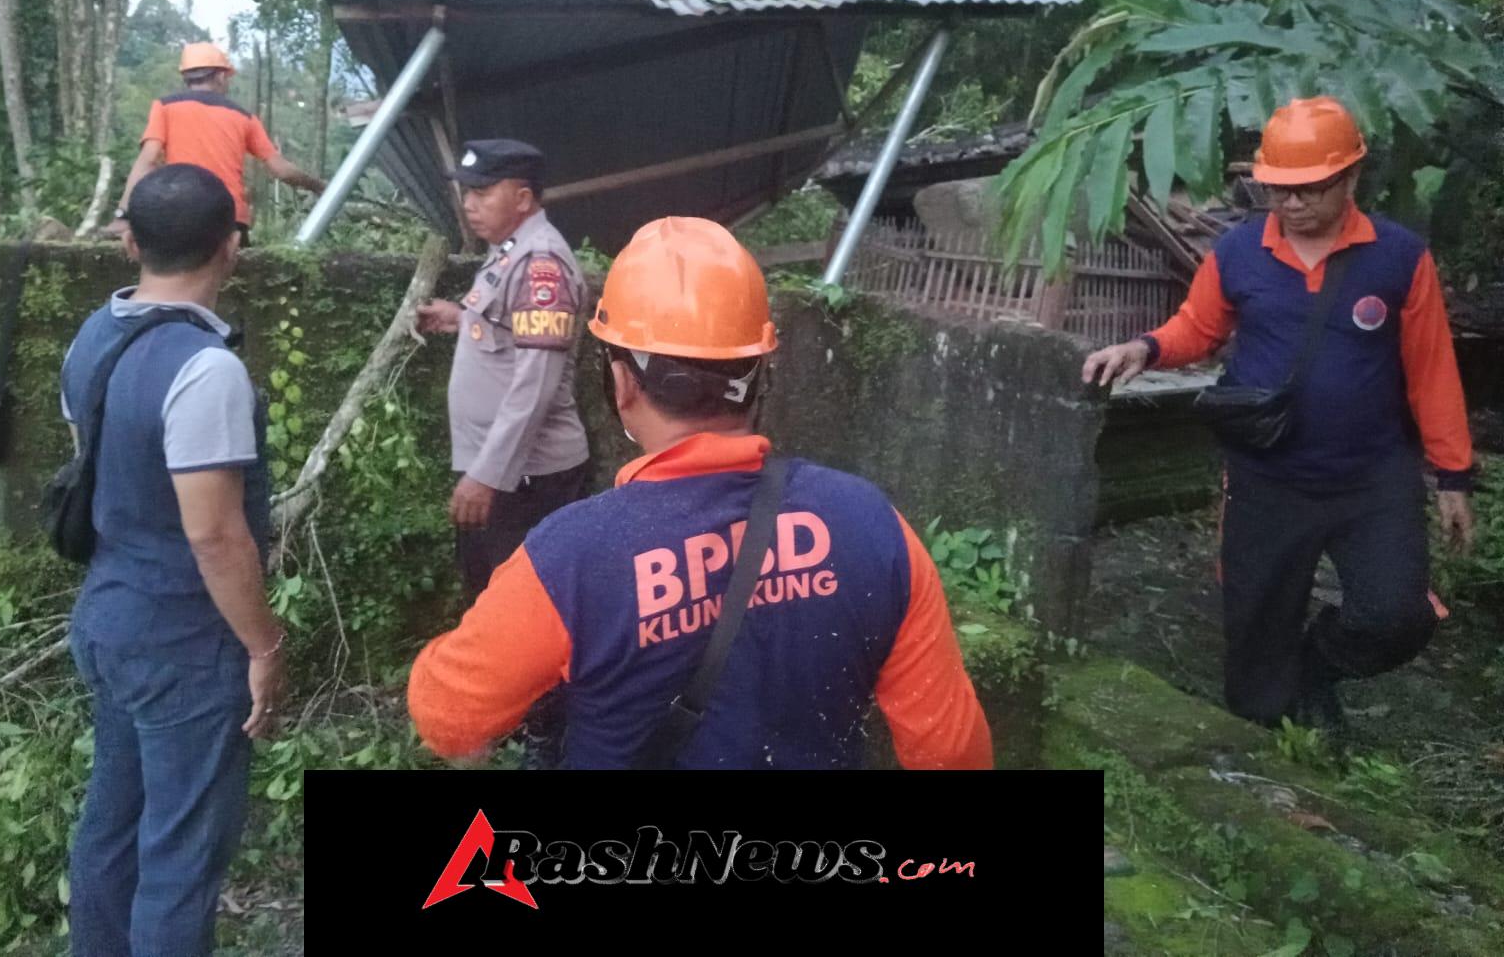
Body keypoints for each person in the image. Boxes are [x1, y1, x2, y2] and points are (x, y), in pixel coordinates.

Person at [407, 216, 993, 770]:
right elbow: (953, 754)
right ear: (761, 374)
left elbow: (448, 719)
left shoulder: (571, 560)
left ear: (619, 380)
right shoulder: (874, 526)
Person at [1083, 96, 1475, 734]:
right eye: (1279, 189)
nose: (1292, 205)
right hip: (1267, 474)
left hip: (1371, 476)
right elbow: (1198, 328)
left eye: (1311, 189)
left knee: (1396, 616)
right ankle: (1269, 746)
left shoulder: (1399, 258)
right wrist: (1146, 348)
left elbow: (1432, 371)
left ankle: (1317, 664)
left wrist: (1454, 476)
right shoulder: (1238, 255)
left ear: (1350, 178)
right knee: (1255, 637)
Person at [63, 164, 286, 956]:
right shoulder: (206, 370)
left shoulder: (97, 334)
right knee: (180, 859)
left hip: (107, 617)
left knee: (112, 827)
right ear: (231, 247)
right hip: (182, 642)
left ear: (129, 241)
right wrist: (265, 647)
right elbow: (214, 535)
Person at [414, 139, 591, 602]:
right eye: (467, 192)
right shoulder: (510, 249)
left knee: (517, 609)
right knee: (488, 597)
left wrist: (487, 476)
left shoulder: (541, 266)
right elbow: (512, 331)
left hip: (526, 479)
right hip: (506, 472)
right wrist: (461, 317)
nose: (469, 204)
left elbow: (536, 385)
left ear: (523, 199)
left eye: (482, 193)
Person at [108, 42, 325, 245]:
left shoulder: (164, 107)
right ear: (221, 76)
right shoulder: (244, 117)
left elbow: (149, 159)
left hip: (180, 212)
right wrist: (318, 186)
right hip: (229, 217)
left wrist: (123, 214)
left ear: (186, 76)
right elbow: (282, 170)